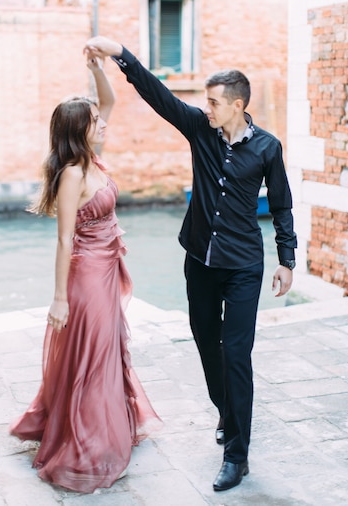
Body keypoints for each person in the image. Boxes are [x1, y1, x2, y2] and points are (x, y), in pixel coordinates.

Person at [84, 36, 297, 492]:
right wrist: (120, 53)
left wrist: (287, 259)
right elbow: (157, 95)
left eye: (216, 102)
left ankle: (236, 455)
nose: (208, 108)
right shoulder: (200, 129)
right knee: (206, 343)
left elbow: (281, 205)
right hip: (199, 259)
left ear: (238, 105)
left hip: (243, 266)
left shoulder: (267, 148)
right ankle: (227, 411)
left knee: (237, 354)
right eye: (207, 101)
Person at [9, 54, 161, 494]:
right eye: (96, 121)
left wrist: (98, 65)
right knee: (93, 358)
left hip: (108, 268)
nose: (105, 124)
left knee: (108, 350)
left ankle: (107, 424)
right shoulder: (73, 174)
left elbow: (110, 101)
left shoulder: (95, 159)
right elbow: (63, 241)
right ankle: (89, 440)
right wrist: (59, 298)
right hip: (86, 276)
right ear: (80, 130)